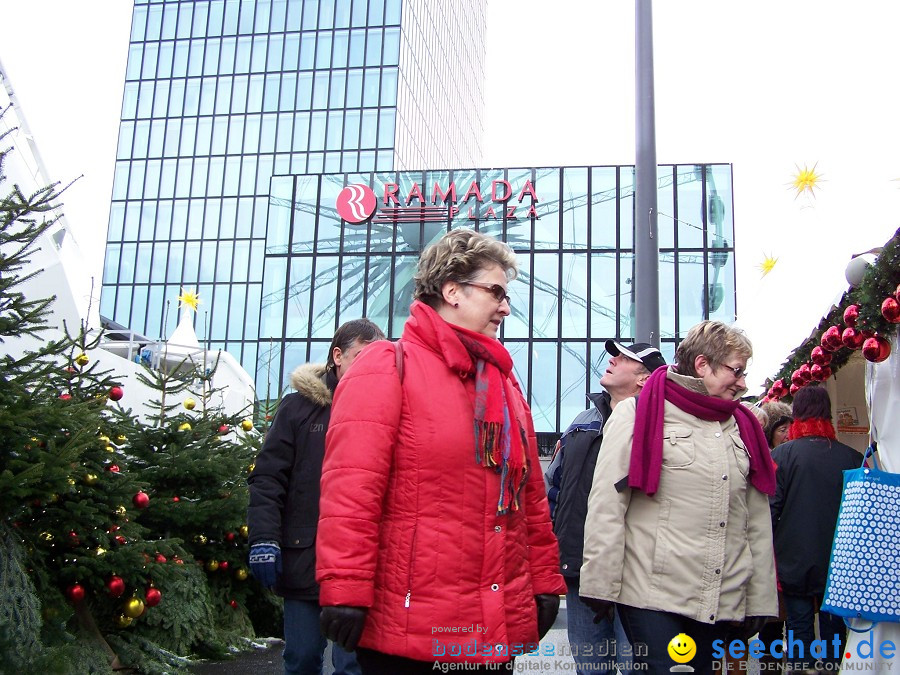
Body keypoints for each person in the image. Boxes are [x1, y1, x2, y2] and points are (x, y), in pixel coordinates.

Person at [316, 229, 567, 674]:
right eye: (495, 292)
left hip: (490, 629)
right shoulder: (386, 366)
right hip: (410, 629)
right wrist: (346, 587)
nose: (505, 307)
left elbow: (528, 497)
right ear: (451, 290)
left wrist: (545, 581)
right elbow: (351, 490)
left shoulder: (503, 384)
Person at [579, 320, 778, 673]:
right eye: (737, 371)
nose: (744, 383)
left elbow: (755, 521)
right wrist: (599, 585)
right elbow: (608, 505)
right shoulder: (638, 412)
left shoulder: (742, 426)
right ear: (703, 365)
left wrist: (760, 601)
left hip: (722, 598)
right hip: (652, 597)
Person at [247, 318, 385, 675]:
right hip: (303, 556)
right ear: (337, 356)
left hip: (362, 563)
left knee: (354, 665)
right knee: (303, 658)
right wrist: (264, 539)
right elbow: (268, 478)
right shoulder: (297, 408)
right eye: (360, 356)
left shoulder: (382, 410)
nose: (369, 367)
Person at [546, 340, 666, 674]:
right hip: (581, 565)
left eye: (625, 358)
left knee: (635, 667)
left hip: (637, 573)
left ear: (644, 379)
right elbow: (554, 486)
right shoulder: (583, 421)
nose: (612, 360)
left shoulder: (662, 425)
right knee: (591, 667)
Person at [770, 385, 860, 672]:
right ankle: (833, 666)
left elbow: (771, 510)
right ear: (828, 413)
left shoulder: (782, 456)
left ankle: (802, 667)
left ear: (796, 414)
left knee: (798, 625)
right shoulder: (852, 458)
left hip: (793, 558)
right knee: (835, 627)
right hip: (839, 559)